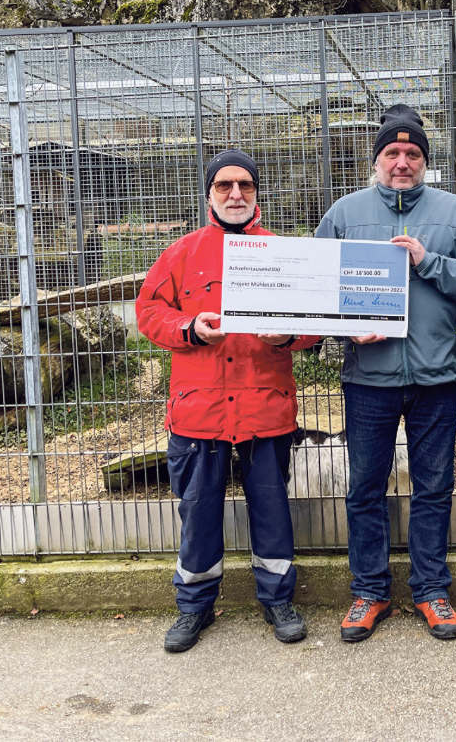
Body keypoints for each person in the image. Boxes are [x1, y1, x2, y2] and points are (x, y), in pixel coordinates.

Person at [315, 103, 456, 642]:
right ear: (377, 160)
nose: (402, 162)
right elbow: (315, 287)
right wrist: (344, 330)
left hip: (436, 376)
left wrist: (429, 262)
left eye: (413, 153)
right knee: (365, 488)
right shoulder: (344, 214)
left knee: (433, 486)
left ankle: (431, 589)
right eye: (393, 152)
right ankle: (369, 591)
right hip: (367, 379)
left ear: (425, 161)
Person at [136, 149, 318, 653]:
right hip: (200, 410)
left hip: (265, 406)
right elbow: (148, 311)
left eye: (245, 185)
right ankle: (194, 606)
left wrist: (289, 336)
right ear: (209, 195)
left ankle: (278, 600)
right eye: (224, 185)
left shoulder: (281, 252)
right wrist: (188, 328)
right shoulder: (181, 254)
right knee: (197, 513)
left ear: (257, 194)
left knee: (272, 509)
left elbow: (313, 320)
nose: (236, 194)